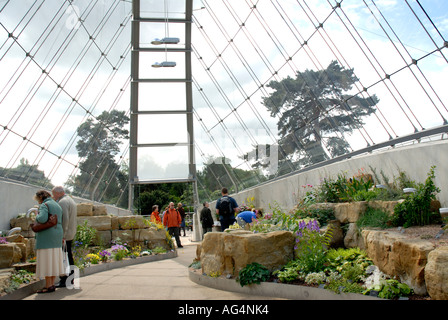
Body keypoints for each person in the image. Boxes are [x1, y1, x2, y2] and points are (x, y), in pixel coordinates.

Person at [33, 190, 65, 293]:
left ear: (40, 198)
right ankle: (51, 284)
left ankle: (48, 286)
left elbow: (42, 219)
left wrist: (36, 214)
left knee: (46, 261)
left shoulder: (44, 204)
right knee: (53, 261)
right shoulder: (56, 204)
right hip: (57, 235)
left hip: (47, 237)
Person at [51, 186, 77, 288]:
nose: (53, 196)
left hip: (66, 234)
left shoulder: (62, 202)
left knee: (64, 257)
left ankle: (66, 280)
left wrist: (63, 235)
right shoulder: (70, 200)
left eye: (54, 194)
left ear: (59, 193)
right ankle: (70, 279)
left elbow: (65, 219)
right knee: (68, 256)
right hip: (71, 232)